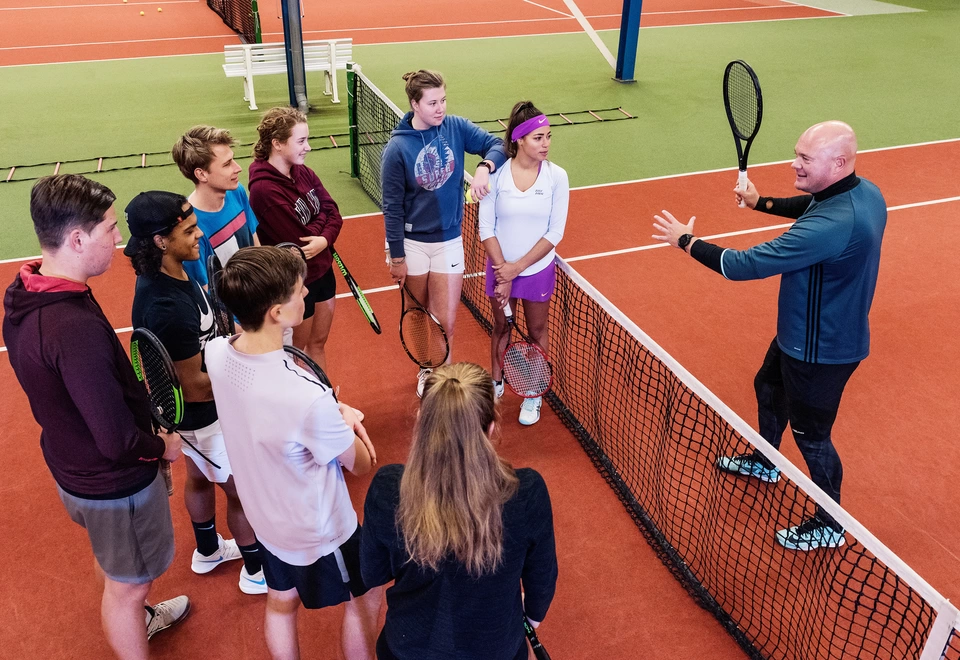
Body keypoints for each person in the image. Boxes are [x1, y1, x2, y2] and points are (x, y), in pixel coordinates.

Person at [651, 120, 886, 551]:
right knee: (767, 386)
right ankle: (767, 462)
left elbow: (742, 265)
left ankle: (831, 522)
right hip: (802, 334)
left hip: (820, 350)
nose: (793, 163)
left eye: (804, 159)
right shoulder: (864, 192)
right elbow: (812, 206)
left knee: (811, 437)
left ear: (838, 162)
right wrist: (763, 202)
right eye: (797, 153)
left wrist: (687, 241)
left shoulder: (832, 227)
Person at [3, 175, 189, 658]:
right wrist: (163, 447)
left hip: (72, 469)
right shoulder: (72, 328)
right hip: (114, 485)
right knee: (128, 588)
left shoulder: (27, 291)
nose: (119, 239)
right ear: (78, 239)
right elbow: (116, 440)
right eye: (110, 228)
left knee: (115, 567)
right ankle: (134, 617)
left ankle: (135, 610)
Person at [204, 246, 382, 659]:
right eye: (299, 291)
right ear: (276, 313)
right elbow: (362, 464)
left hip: (264, 520)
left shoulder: (216, 353)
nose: (306, 296)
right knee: (366, 596)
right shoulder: (306, 399)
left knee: (281, 603)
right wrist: (349, 421)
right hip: (319, 533)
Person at [360, 362, 558, 660]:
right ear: (492, 427)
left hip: (406, 648)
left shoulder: (387, 489)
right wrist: (523, 624)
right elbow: (541, 584)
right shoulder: (528, 492)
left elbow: (371, 573)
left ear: (421, 421)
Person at [125, 190, 266, 595]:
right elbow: (198, 387)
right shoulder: (166, 305)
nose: (199, 235)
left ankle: (207, 550)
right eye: (188, 230)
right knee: (244, 492)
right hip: (204, 418)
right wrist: (247, 369)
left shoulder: (172, 272)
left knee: (201, 478)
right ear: (160, 241)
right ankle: (257, 572)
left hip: (191, 422)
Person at [381, 69, 507, 396]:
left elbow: (498, 144)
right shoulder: (397, 150)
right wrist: (396, 257)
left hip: (449, 241)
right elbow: (392, 208)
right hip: (412, 245)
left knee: (444, 321)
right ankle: (427, 368)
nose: (440, 108)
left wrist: (484, 167)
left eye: (443, 100)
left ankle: (442, 376)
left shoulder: (456, 128)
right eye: (432, 102)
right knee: (418, 314)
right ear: (414, 104)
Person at [479, 101, 569, 426]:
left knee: (536, 330)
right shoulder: (496, 177)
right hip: (499, 267)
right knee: (501, 326)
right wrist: (503, 271)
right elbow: (485, 228)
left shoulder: (557, 177)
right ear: (518, 140)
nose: (545, 144)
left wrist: (516, 269)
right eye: (537, 138)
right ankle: (496, 382)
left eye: (548, 136)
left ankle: (533, 392)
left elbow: (555, 232)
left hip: (535, 270)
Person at [249, 107, 344, 370]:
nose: (308, 148)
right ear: (277, 144)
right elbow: (299, 242)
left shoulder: (302, 171)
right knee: (296, 353)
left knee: (318, 344)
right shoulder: (264, 191)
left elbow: (333, 210)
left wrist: (323, 240)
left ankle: (326, 401)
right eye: (301, 141)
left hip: (323, 271)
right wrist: (324, 230)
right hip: (296, 283)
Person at [171, 125, 260, 287]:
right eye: (227, 164)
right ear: (201, 174)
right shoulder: (190, 226)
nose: (238, 168)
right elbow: (205, 290)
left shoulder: (237, 192)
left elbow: (256, 245)